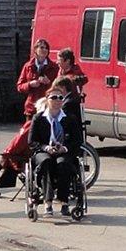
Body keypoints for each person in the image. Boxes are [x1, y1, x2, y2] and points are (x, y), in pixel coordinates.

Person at [28, 84, 82, 216]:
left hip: (63, 151)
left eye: (60, 97)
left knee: (63, 164)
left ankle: (64, 202)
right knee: (46, 162)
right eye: (54, 97)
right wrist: (46, 147)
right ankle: (48, 202)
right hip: (43, 151)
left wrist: (64, 148)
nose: (58, 100)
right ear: (47, 99)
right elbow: (32, 141)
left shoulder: (70, 118)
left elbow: (77, 140)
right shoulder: (39, 118)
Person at [17, 39, 59, 120]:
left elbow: (59, 87)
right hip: (32, 107)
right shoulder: (28, 66)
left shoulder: (54, 67)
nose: (44, 50)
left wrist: (49, 83)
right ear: (35, 49)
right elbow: (19, 86)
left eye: (46, 48)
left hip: (48, 106)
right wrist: (30, 84)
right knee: (30, 131)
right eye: (42, 47)